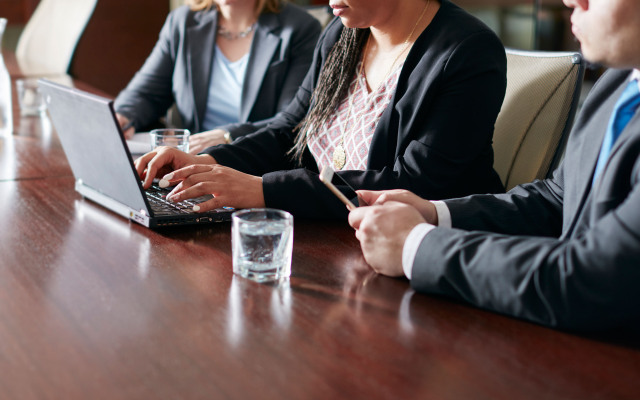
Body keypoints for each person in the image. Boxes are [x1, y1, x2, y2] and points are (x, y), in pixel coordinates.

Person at [348, 0, 640, 330]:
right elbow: (558, 200)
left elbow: (594, 280)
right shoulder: (618, 82)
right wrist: (436, 214)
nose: (572, 0)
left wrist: (416, 246)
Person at [134, 0, 507, 219]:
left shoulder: (468, 51)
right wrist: (208, 163)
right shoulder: (342, 34)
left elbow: (412, 184)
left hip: (420, 251)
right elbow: (291, 131)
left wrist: (264, 190)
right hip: (332, 233)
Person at [114, 0, 322, 153]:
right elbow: (146, 92)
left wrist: (228, 136)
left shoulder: (300, 28)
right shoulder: (182, 22)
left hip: (252, 163)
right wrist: (123, 116)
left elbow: (291, 120)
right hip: (189, 159)